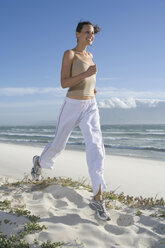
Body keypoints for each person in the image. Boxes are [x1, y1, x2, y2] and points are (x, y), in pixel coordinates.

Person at [31, 21, 110, 221]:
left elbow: (87, 82)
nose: (90, 36)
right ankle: (39, 162)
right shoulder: (70, 54)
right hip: (72, 105)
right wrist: (86, 74)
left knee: (96, 147)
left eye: (92, 33)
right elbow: (64, 82)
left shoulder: (91, 56)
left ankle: (98, 198)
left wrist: (92, 89)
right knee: (59, 144)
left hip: (91, 105)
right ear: (77, 34)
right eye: (87, 32)